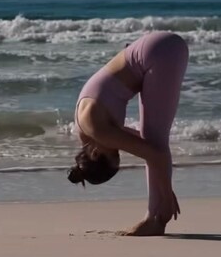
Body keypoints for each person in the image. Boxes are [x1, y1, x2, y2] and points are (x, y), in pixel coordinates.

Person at [68, 31, 189, 236]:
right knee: (153, 140)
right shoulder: (88, 127)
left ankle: (154, 219)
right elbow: (144, 145)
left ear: (96, 153)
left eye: (114, 152)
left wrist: (167, 195)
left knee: (156, 142)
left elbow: (155, 153)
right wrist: (163, 185)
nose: (118, 147)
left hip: (159, 54)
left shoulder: (98, 130)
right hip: (159, 47)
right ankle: (154, 215)